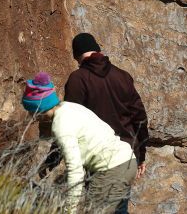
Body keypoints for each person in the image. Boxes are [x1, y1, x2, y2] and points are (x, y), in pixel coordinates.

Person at [23, 72, 138, 214]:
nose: (31, 117)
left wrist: (69, 210)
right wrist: (50, 162)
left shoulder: (60, 125)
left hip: (111, 170)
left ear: (38, 109)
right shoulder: (69, 107)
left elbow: (75, 171)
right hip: (127, 161)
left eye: (30, 111)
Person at [64, 33, 149, 180]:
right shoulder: (123, 76)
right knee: (119, 202)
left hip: (99, 157)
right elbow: (140, 118)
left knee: (99, 203)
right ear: (97, 50)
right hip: (127, 155)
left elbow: (68, 123)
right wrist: (141, 155)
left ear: (77, 56)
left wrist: (52, 159)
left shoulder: (77, 80)